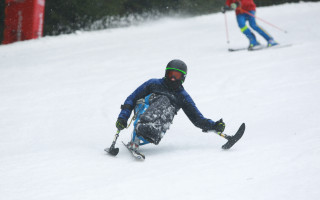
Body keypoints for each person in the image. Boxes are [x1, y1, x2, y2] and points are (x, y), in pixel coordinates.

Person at [115, 59, 225, 151]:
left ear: (182, 78)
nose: (172, 78)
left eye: (176, 76)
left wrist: (214, 125)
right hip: (143, 110)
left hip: (158, 121)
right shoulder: (153, 83)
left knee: (170, 108)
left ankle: (151, 133)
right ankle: (141, 129)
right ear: (165, 73)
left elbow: (197, 119)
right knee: (164, 99)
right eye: (170, 74)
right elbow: (132, 98)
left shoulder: (182, 96)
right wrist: (123, 117)